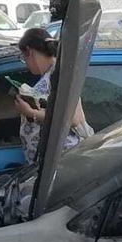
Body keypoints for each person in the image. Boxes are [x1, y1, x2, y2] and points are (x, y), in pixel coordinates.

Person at [14, 27, 91, 164]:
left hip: (61, 160)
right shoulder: (54, 73)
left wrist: (30, 112)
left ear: (29, 52)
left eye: (23, 58)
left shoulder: (59, 74)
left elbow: (72, 118)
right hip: (51, 161)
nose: (25, 64)